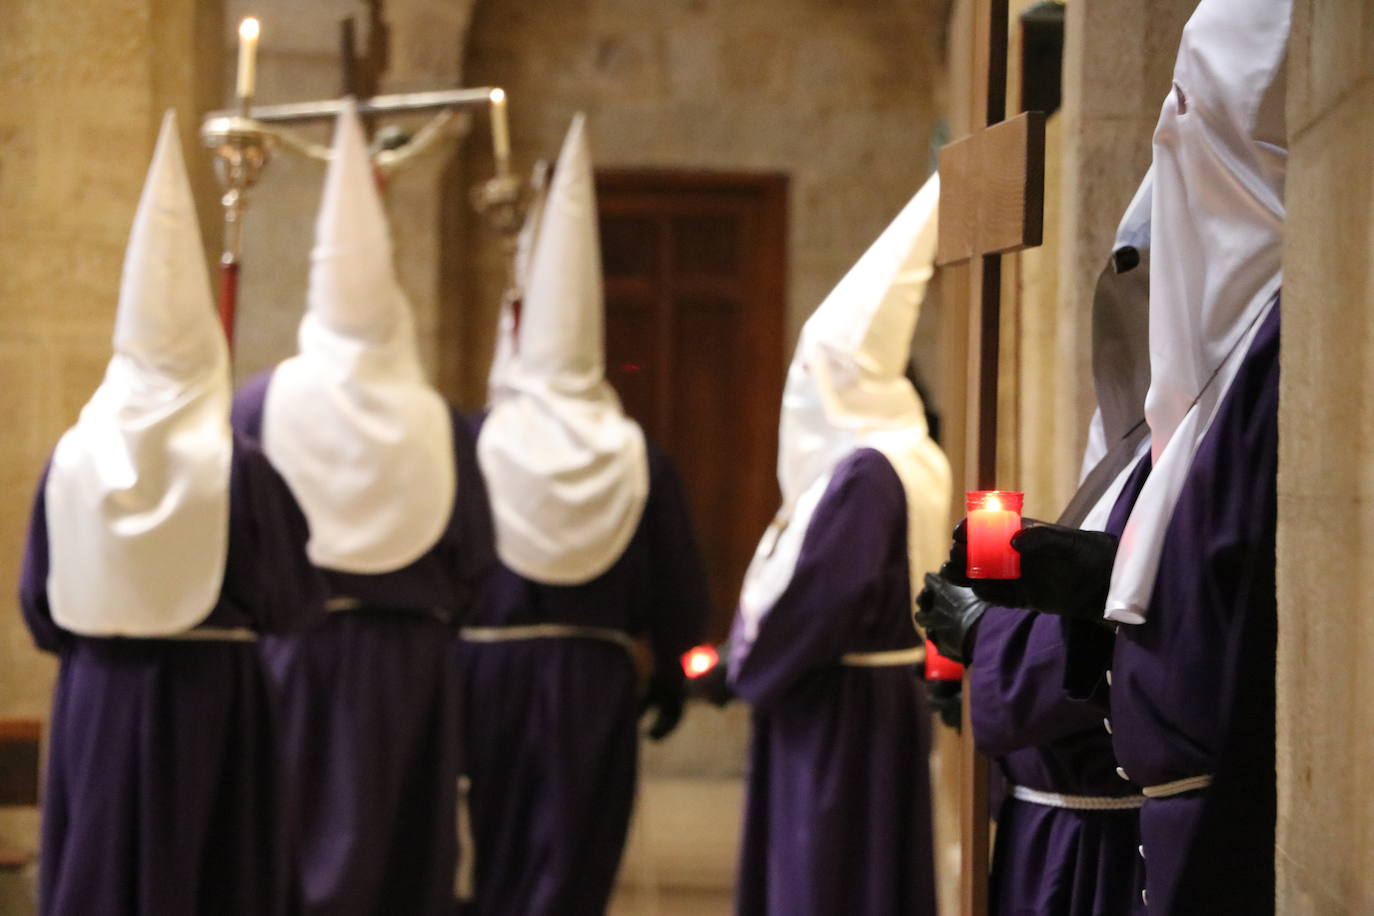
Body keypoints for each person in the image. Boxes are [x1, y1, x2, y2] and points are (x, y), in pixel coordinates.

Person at [952, 0, 1288, 909]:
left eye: (1187, 114)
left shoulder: (1275, 361)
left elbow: (1240, 619)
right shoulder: (1181, 415)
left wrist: (1021, 627)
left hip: (1205, 829)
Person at [19, 112, 322, 915]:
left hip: (98, 697)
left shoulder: (71, 457)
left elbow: (40, 609)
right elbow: (294, 603)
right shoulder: (244, 469)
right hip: (215, 702)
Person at [231, 101, 494, 915]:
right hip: (407, 667)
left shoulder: (257, 403)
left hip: (292, 662)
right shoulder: (439, 420)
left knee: (291, 841)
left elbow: (231, 538)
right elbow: (476, 556)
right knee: (399, 854)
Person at [457, 115, 710, 916]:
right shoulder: (633, 451)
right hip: (593, 680)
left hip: (489, 675)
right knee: (575, 860)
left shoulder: (479, 440)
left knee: (498, 852)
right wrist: (674, 666)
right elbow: (674, 577)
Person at [917, 170, 1155, 915]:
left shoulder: (1185, 455)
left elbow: (1140, 610)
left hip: (1099, 846)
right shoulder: (1128, 446)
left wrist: (985, 639)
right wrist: (971, 660)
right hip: (1047, 819)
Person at [728, 173, 950, 916]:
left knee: (827, 877)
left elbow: (826, 597)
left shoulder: (864, 472)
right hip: (880, 694)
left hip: (840, 707)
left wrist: (751, 665)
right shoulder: (909, 448)